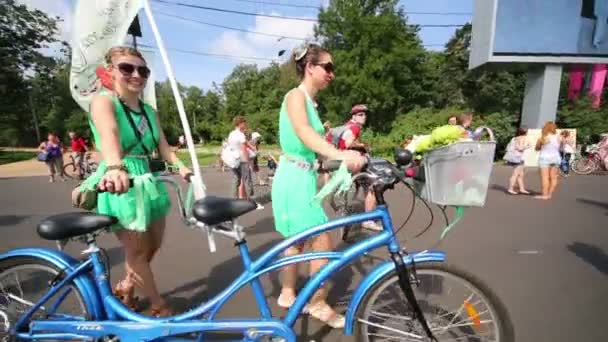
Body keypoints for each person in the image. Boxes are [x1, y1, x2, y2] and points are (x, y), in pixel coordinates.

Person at [81, 46, 191, 317]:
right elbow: (109, 135)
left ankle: (126, 287)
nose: (136, 74)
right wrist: (116, 167)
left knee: (151, 246)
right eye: (126, 68)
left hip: (147, 179)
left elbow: (163, 145)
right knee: (137, 251)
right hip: (120, 180)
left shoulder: (149, 111)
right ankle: (158, 307)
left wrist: (180, 166)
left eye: (142, 70)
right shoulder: (104, 102)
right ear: (111, 72)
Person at [271, 43, 364, 328]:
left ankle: (287, 294)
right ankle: (318, 303)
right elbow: (303, 132)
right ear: (310, 67)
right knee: (321, 240)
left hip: (298, 176)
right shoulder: (295, 96)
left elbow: (307, 142)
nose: (332, 74)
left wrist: (328, 162)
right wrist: (340, 154)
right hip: (295, 178)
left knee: (296, 241)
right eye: (328, 67)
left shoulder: (309, 102)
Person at [334, 104, 381, 231]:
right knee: (372, 186)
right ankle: (368, 220)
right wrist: (363, 146)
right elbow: (349, 143)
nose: (364, 117)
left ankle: (345, 214)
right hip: (353, 162)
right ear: (354, 116)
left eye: (365, 114)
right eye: (360, 115)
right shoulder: (354, 127)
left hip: (343, 162)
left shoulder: (346, 126)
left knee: (349, 189)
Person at [225, 116, 252, 199]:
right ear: (240, 124)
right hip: (242, 160)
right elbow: (244, 149)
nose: (245, 125)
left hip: (233, 159)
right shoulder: (240, 135)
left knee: (235, 179)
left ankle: (234, 199)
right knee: (247, 179)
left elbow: (230, 146)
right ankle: (251, 200)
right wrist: (248, 161)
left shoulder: (231, 134)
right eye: (244, 123)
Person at [535, 121, 561, 200]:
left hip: (544, 158)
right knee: (553, 177)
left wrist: (540, 145)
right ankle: (549, 194)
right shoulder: (558, 137)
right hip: (556, 157)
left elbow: (537, 148)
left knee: (545, 177)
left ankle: (544, 195)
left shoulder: (543, 138)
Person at [504, 127, 531, 195]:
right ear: (526, 132)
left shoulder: (514, 138)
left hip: (514, 158)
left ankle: (522, 189)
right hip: (519, 158)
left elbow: (508, 148)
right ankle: (510, 189)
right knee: (515, 174)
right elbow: (520, 148)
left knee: (520, 174)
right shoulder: (523, 138)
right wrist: (528, 146)